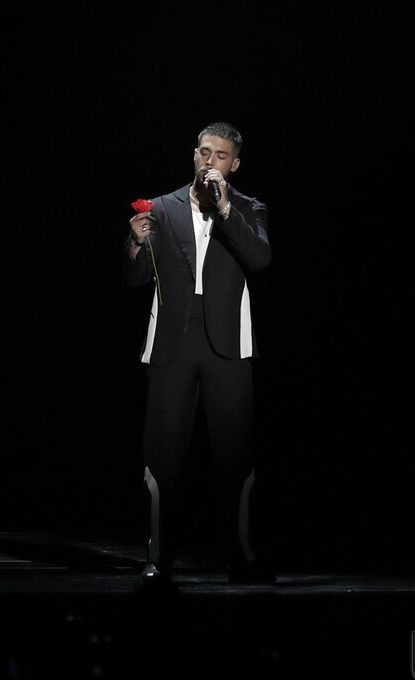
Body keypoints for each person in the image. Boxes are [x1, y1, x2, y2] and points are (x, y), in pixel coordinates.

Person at [124, 122, 274, 586]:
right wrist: (135, 243)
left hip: (228, 343)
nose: (211, 161)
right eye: (205, 152)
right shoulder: (163, 208)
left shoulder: (249, 209)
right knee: (163, 454)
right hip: (172, 340)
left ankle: (242, 556)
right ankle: (158, 557)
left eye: (221, 155)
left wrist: (225, 207)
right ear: (194, 154)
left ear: (235, 164)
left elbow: (260, 259)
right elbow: (134, 280)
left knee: (235, 455)